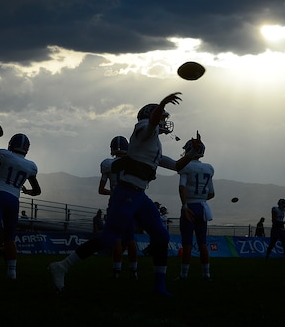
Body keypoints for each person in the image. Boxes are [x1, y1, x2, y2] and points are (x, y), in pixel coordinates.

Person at [49, 92, 201, 296]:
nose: (165, 121)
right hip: (127, 192)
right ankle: (62, 266)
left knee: (161, 236)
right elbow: (151, 123)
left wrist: (192, 153)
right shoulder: (144, 129)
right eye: (162, 116)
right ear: (151, 115)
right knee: (108, 239)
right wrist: (163, 103)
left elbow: (175, 165)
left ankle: (159, 286)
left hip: (139, 196)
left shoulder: (153, 144)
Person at [0, 128, 41, 280]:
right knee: (10, 237)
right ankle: (12, 272)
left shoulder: (4, 155)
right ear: (26, 149)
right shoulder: (30, 166)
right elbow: (37, 190)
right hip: (14, 200)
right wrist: (26, 191)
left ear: (11, 144)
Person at [98, 135, 139, 279]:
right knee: (131, 239)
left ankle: (117, 270)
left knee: (116, 238)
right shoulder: (133, 163)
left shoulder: (108, 164)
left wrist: (114, 192)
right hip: (130, 202)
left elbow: (101, 189)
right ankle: (134, 271)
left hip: (115, 202)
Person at [176, 132, 215, 281]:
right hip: (202, 207)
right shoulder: (208, 168)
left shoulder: (186, 167)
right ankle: (206, 274)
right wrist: (201, 198)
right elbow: (211, 193)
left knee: (187, 243)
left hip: (190, 206)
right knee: (202, 242)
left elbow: (182, 188)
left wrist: (185, 205)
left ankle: (184, 275)